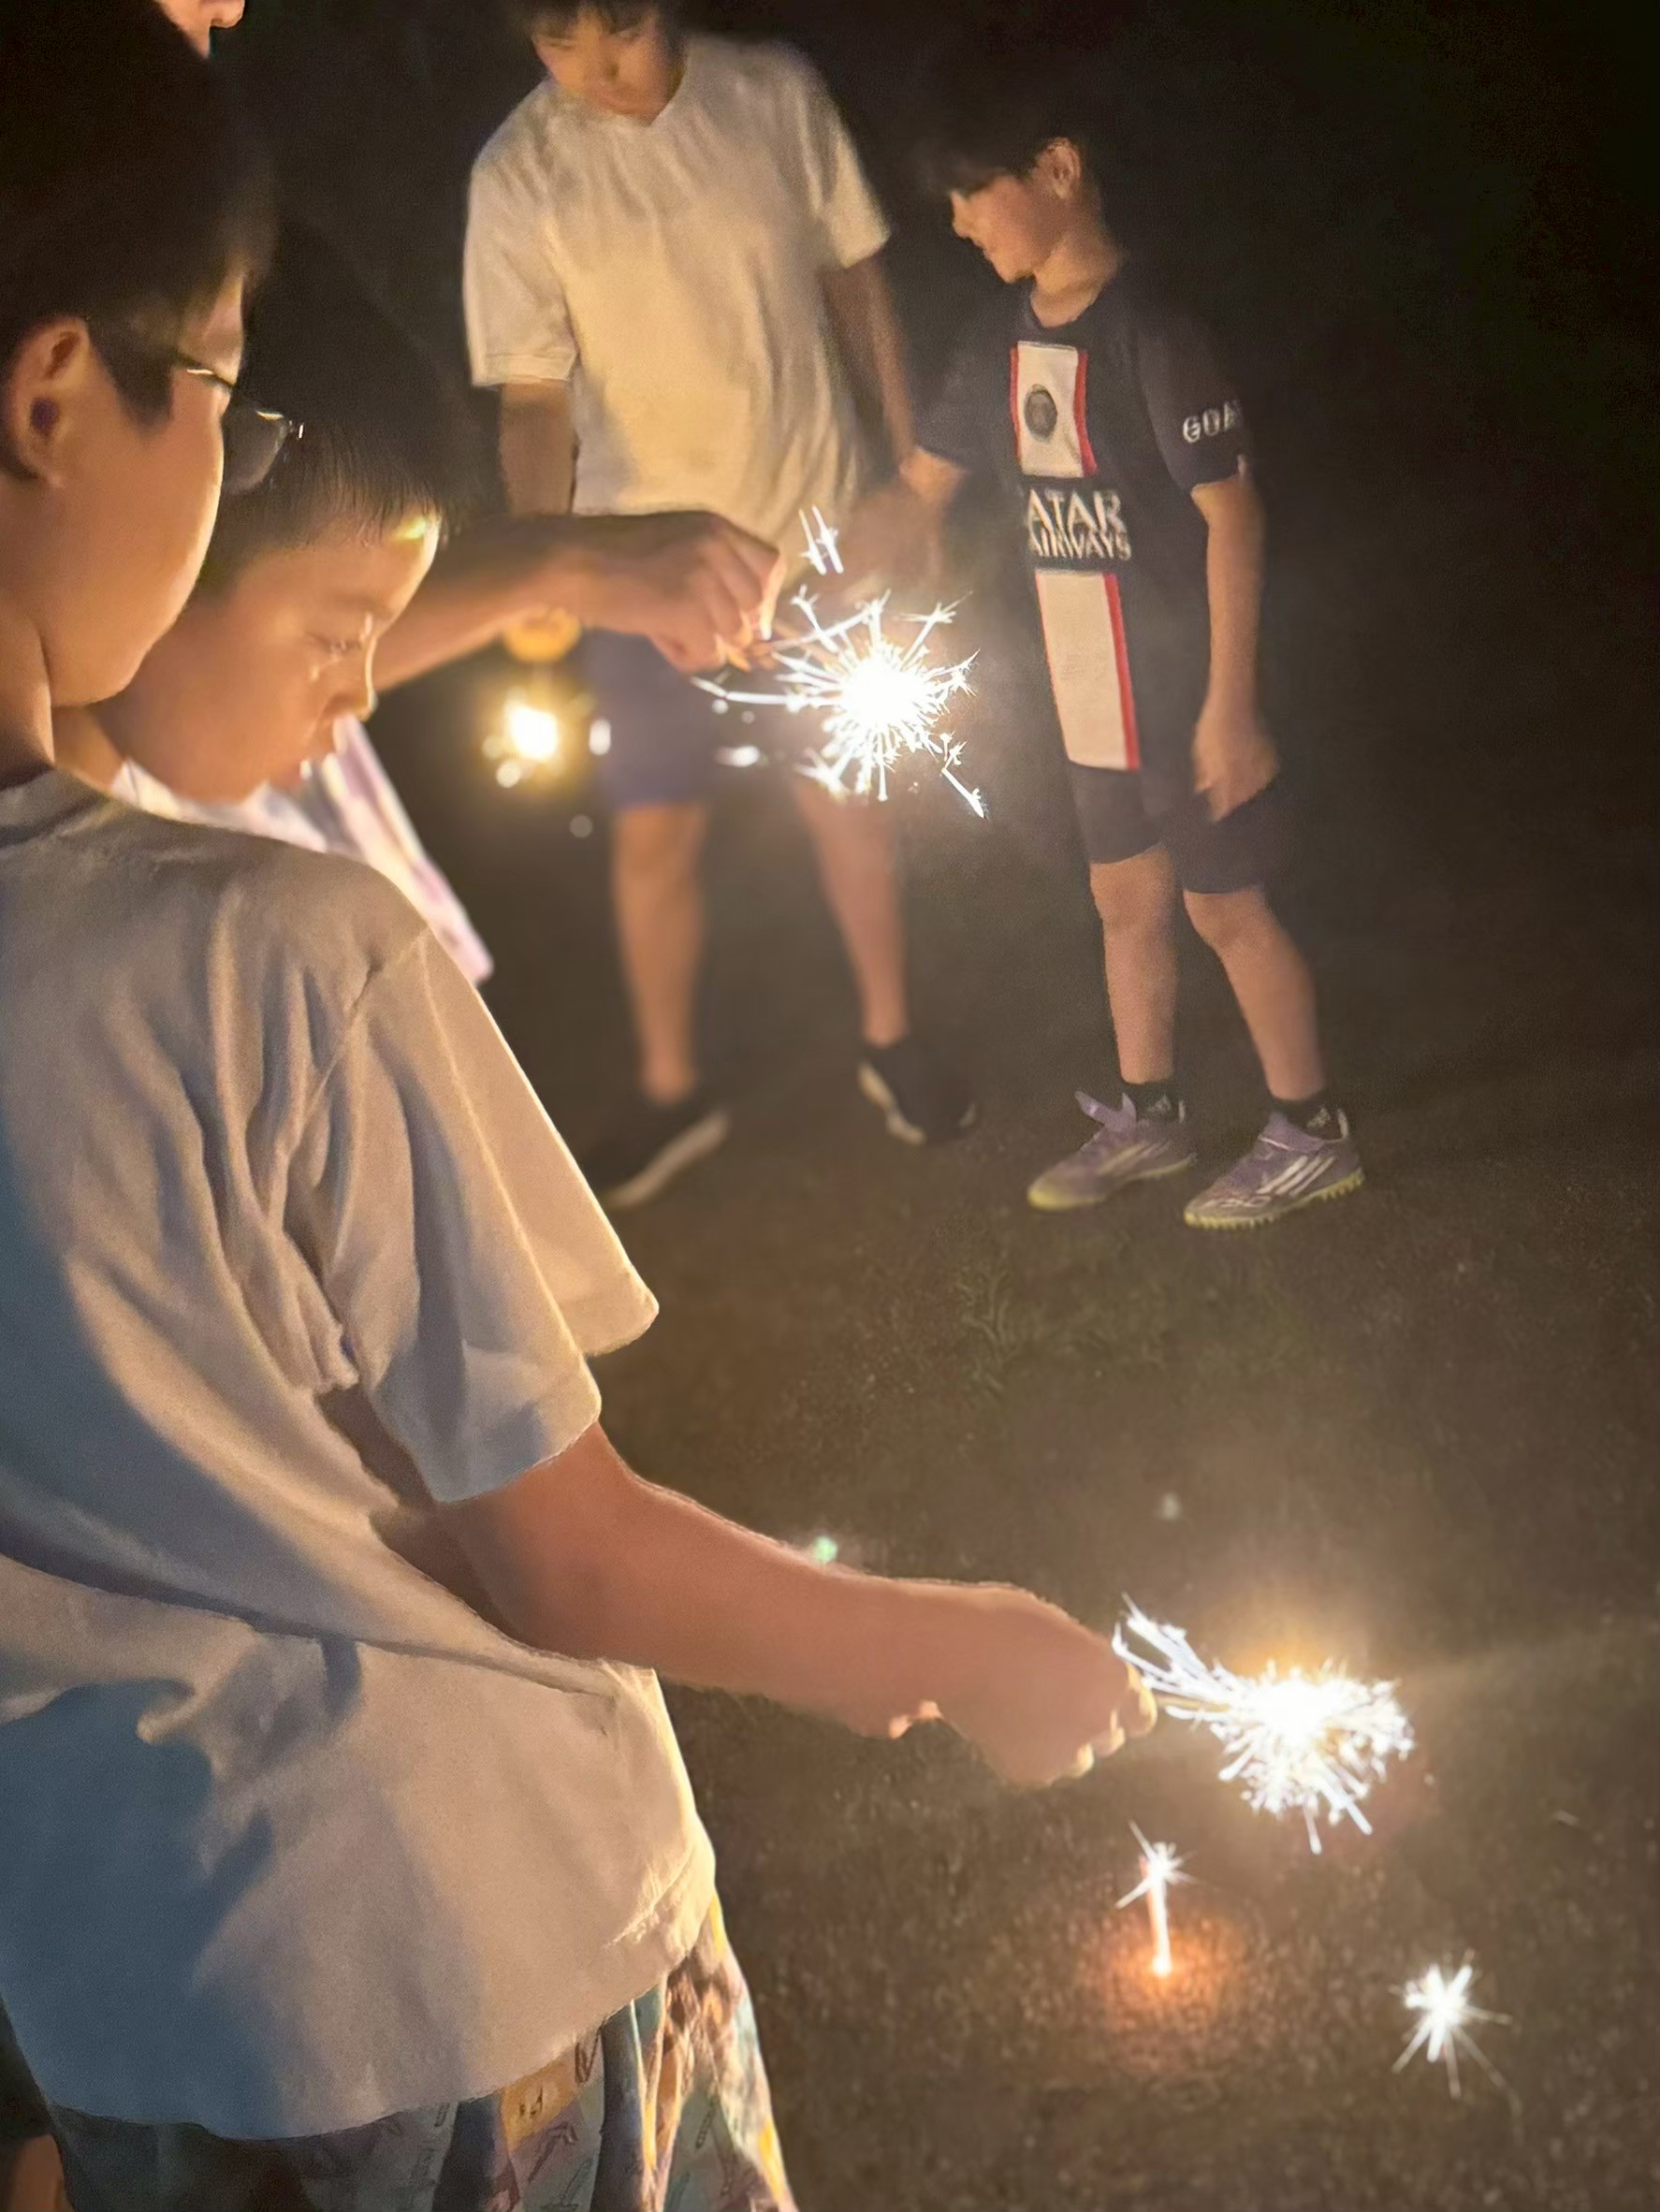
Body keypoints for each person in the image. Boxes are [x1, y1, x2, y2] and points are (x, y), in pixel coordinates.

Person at [0, 13, 1153, 2206]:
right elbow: (560, 1546)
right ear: (55, 394)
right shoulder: (282, 959)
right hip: (477, 1970)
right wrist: (945, 1647)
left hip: (128, 2013)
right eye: (224, 387)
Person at [120, 0, 783, 988]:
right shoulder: (164, 955)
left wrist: (551, 566)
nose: (230, 8)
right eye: (339, 639)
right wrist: (556, 562)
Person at [466, 0, 976, 1207]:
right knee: (654, 829)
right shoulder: (519, 174)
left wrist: (911, 488)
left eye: (621, 34)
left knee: (847, 800)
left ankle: (891, 1037)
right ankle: (670, 1089)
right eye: (559, 46)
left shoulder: (772, 94)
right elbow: (533, 397)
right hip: (642, 569)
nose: (598, 71)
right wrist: (542, 560)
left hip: (815, 532)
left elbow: (857, 283)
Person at [850, 73, 1364, 1229]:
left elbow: (1234, 516)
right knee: (1124, 899)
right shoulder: (996, 343)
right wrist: (815, 583)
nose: (959, 224)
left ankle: (1310, 1131)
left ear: (1058, 168)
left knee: (1226, 908)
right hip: (1090, 693)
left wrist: (1230, 705)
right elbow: (917, 491)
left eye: (972, 193)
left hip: (1181, 689)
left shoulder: (1152, 334)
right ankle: (1151, 1116)